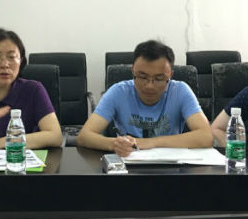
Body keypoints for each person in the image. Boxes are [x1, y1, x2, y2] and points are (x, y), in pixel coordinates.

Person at [77, 40, 213, 157]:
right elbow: (84, 136)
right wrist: (115, 144)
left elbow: (206, 136)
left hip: (170, 166)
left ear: (170, 75)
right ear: (133, 71)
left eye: (159, 79)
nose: (149, 86)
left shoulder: (180, 91)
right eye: (142, 77)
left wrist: (150, 143)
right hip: (128, 164)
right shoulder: (119, 92)